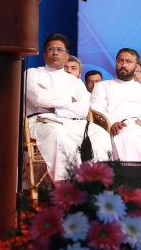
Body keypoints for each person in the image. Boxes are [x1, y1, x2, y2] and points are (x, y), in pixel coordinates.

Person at [25, 34, 112, 183]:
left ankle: (99, 182)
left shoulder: (75, 82)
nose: (55, 52)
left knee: (100, 134)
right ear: (44, 54)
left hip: (73, 122)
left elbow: (83, 110)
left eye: (59, 49)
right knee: (57, 133)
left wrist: (52, 105)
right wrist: (68, 100)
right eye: (50, 49)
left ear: (67, 56)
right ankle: (66, 186)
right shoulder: (33, 73)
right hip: (41, 121)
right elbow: (38, 98)